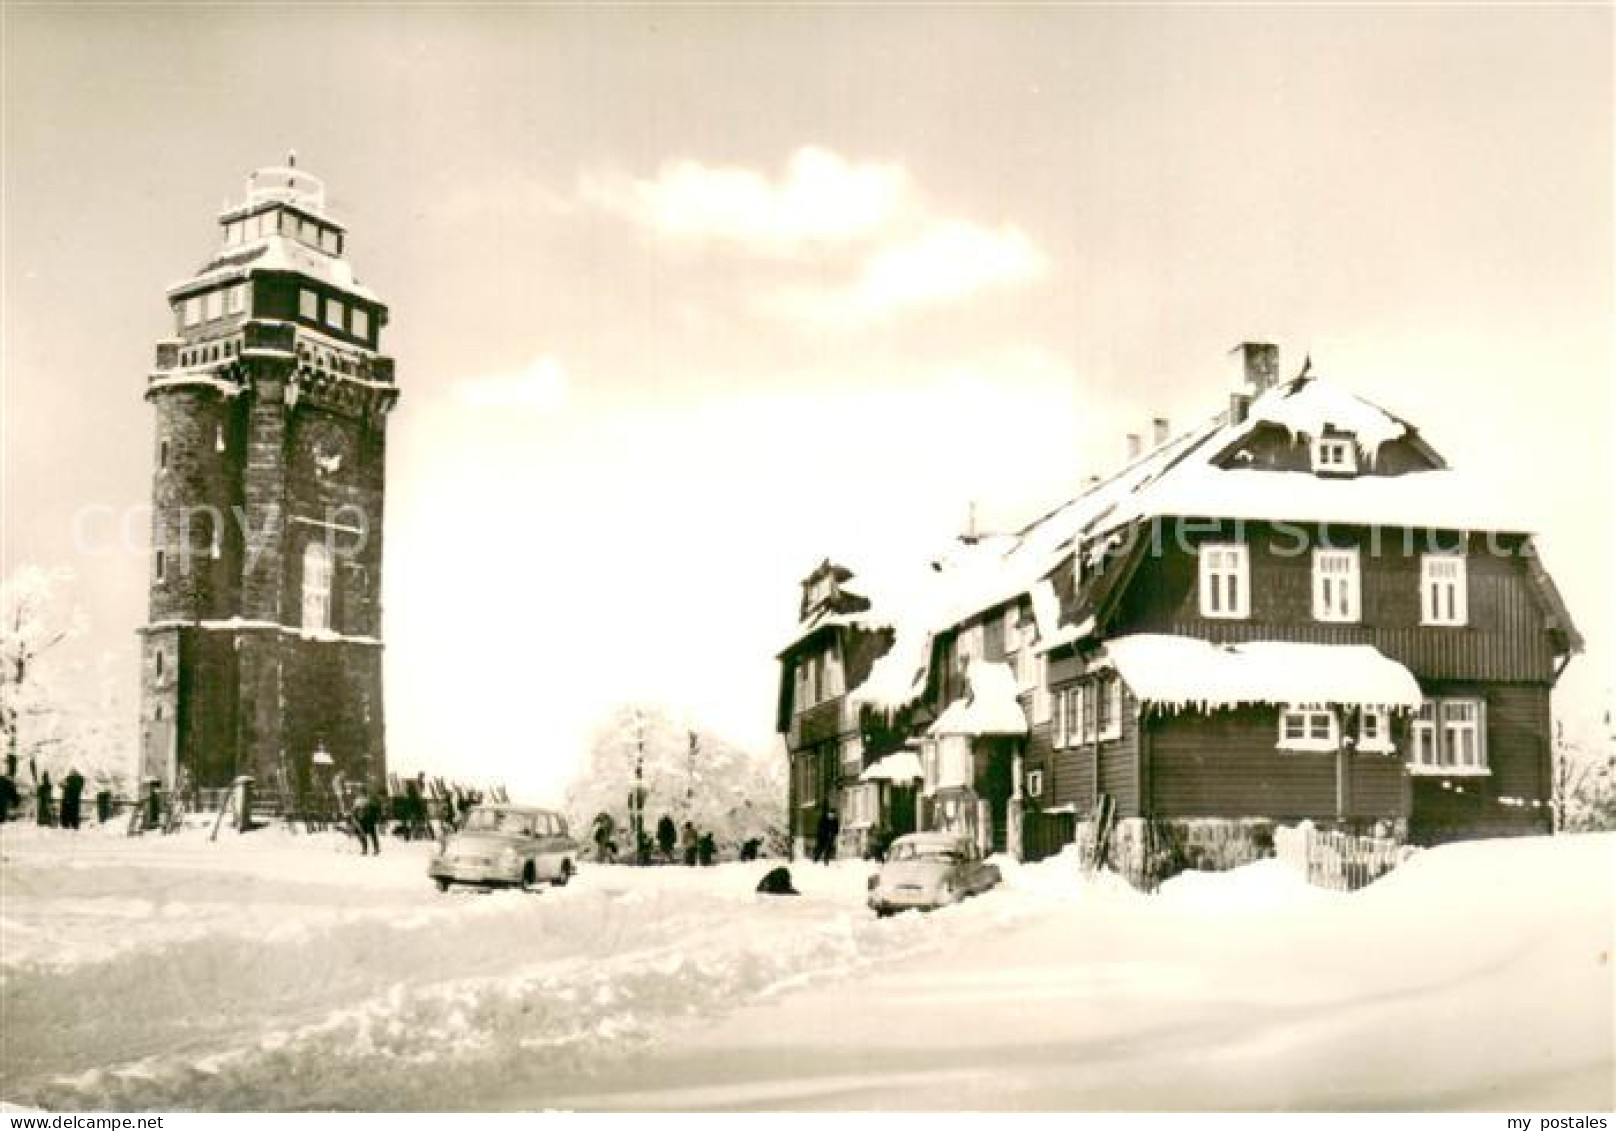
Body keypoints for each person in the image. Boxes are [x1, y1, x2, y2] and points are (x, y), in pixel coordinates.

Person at [353, 792, 382, 856]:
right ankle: (365, 848)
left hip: (369, 821)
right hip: (362, 822)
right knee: (361, 834)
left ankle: (375, 848)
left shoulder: (369, 802)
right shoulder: (357, 802)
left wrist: (376, 818)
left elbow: (376, 810)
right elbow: (354, 813)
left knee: (372, 835)